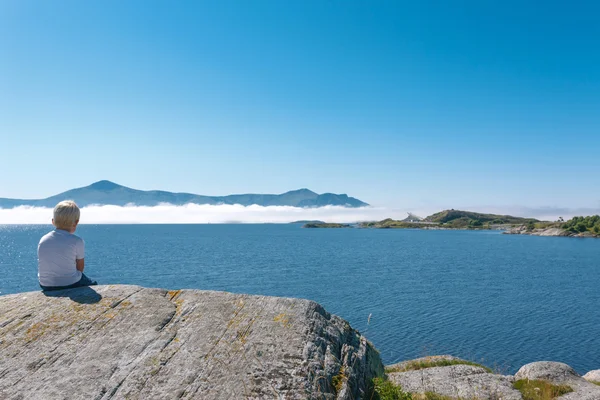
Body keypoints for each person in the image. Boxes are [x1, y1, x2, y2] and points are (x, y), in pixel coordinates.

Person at [38, 200, 97, 291]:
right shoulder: (77, 241)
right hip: (70, 283)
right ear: (76, 222)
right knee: (93, 283)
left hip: (45, 284)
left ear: (53, 221)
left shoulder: (43, 239)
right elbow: (80, 267)